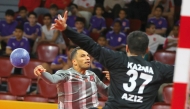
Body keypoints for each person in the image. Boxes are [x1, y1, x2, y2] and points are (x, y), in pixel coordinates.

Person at [51, 11, 175, 109]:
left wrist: (66, 29)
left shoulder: (117, 60)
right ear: (147, 50)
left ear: (127, 48)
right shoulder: (158, 69)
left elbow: (90, 45)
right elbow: (183, 72)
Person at [34, 47, 108, 109]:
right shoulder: (66, 74)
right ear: (74, 62)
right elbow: (52, 79)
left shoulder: (92, 75)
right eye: (83, 56)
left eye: (88, 56)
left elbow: (107, 92)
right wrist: (42, 72)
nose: (88, 58)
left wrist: (115, 80)